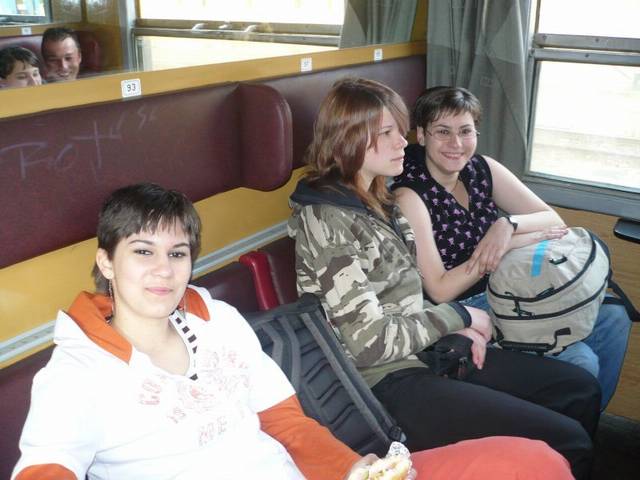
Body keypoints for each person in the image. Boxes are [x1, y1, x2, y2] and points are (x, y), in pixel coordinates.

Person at [11, 183, 573, 480]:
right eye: (142, 251)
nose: (163, 270)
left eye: (177, 253)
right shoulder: (76, 375)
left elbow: (284, 421)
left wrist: (348, 467)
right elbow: (46, 468)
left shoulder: (218, 320)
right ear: (106, 263)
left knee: (534, 462)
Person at [288, 77, 602, 480]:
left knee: (578, 389)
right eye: (387, 133)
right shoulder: (329, 220)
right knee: (568, 440)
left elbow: (405, 296)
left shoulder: (378, 201)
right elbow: (368, 344)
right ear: (349, 139)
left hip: (425, 351)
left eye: (401, 131)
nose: (403, 143)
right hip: (382, 380)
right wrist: (460, 316)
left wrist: (454, 329)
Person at [391, 86, 632, 409]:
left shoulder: (482, 169)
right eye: (443, 132)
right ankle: (562, 430)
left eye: (465, 131)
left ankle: (582, 423)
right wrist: (501, 247)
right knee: (582, 362)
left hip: (511, 287)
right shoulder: (410, 196)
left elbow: (552, 219)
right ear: (421, 135)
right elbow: (439, 289)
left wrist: (506, 226)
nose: (456, 143)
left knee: (614, 317)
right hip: (467, 305)